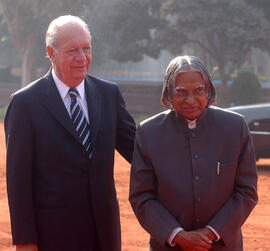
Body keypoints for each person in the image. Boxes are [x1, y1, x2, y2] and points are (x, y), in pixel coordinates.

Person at [5, 15, 135, 251]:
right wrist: (24, 240)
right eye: (72, 50)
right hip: (52, 235)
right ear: (51, 52)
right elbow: (18, 179)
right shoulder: (25, 103)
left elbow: (139, 151)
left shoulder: (109, 95)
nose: (82, 57)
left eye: (86, 48)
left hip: (104, 233)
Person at [129, 55, 258, 251]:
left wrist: (212, 232)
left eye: (198, 90)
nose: (191, 100)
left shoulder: (235, 127)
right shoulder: (149, 133)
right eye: (181, 92)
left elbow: (247, 191)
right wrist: (178, 235)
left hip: (222, 245)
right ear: (169, 94)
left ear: (208, 90)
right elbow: (142, 197)